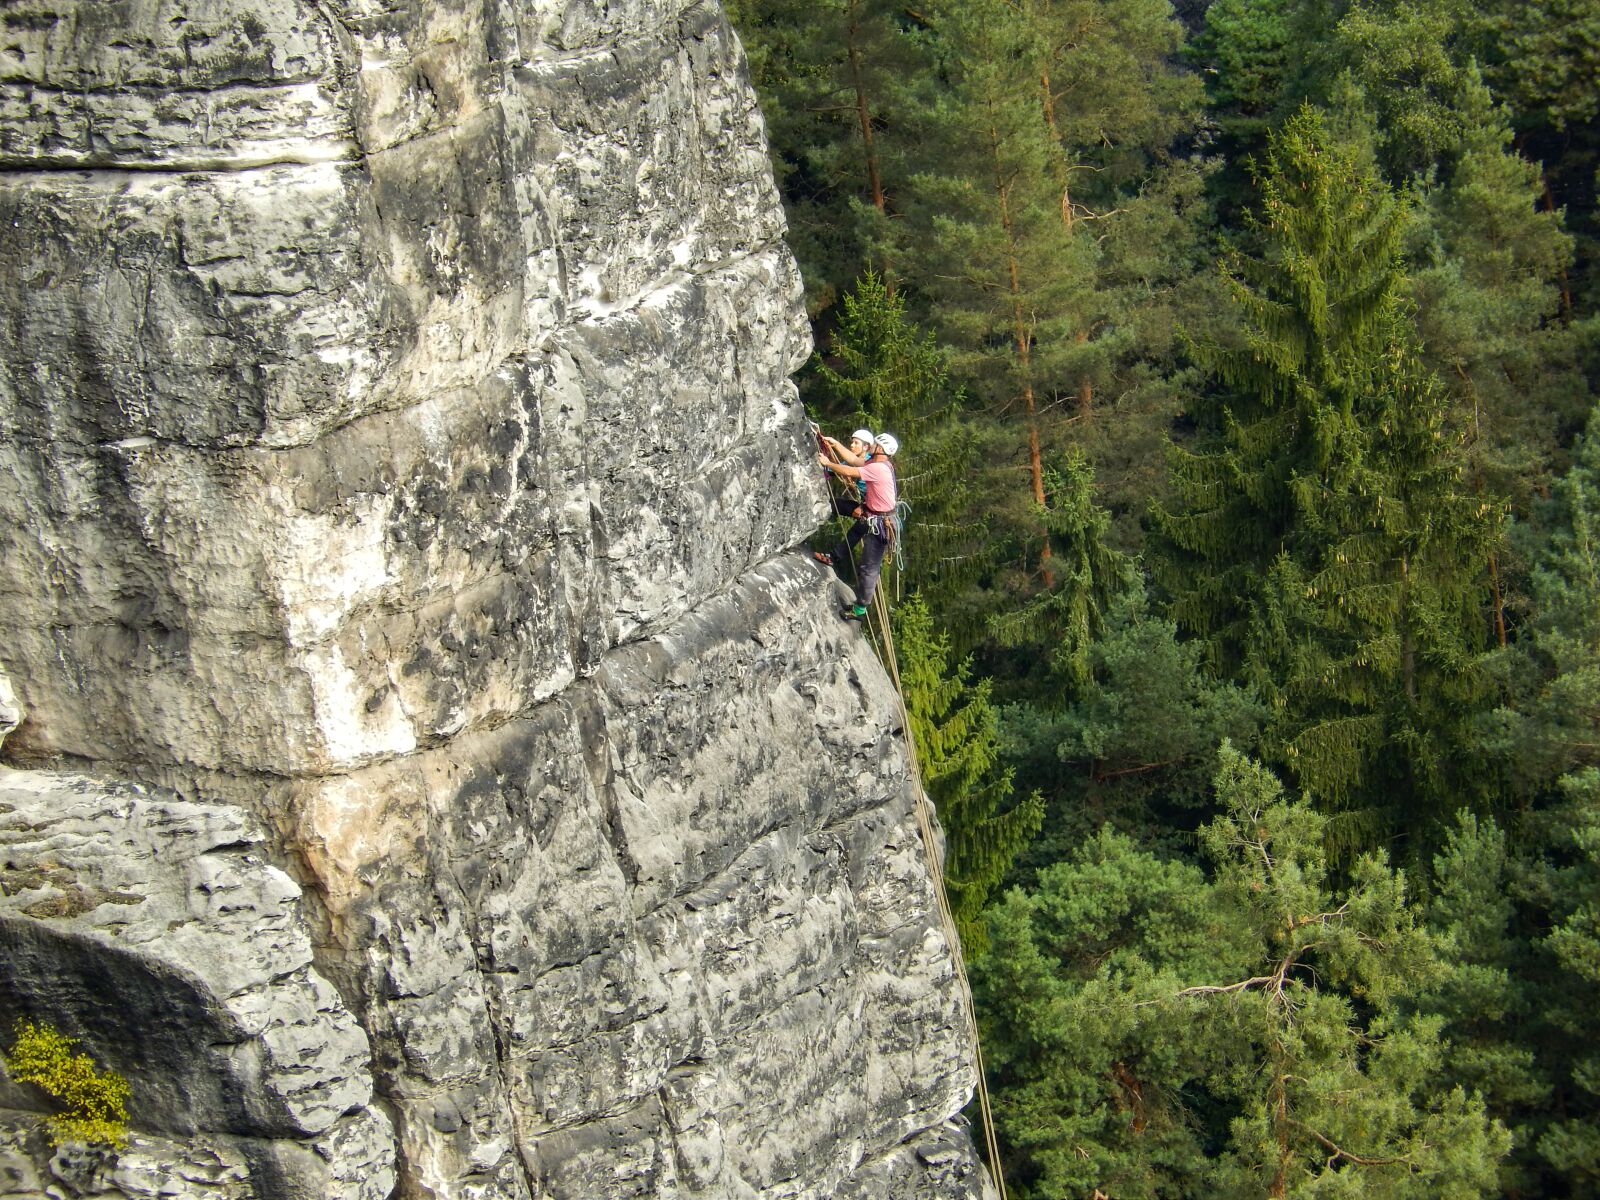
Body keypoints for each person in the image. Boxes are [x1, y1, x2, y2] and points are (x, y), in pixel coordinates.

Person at [817, 433, 899, 621]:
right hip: (876, 518)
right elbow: (854, 460)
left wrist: (827, 464)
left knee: (869, 568)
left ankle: (859, 611)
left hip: (880, 523)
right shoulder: (878, 464)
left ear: (880, 449)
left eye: (875, 445)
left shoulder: (878, 468)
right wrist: (836, 443)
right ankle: (834, 558)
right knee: (859, 541)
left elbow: (849, 472)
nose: (872, 446)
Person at [813, 428, 875, 568]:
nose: (852, 445)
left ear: (866, 447)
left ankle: (834, 557)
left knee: (860, 527)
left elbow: (846, 468)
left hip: (872, 510)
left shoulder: (868, 462)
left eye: (856, 443)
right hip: (865, 506)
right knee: (831, 504)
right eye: (851, 442)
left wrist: (828, 463)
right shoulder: (856, 461)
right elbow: (835, 469)